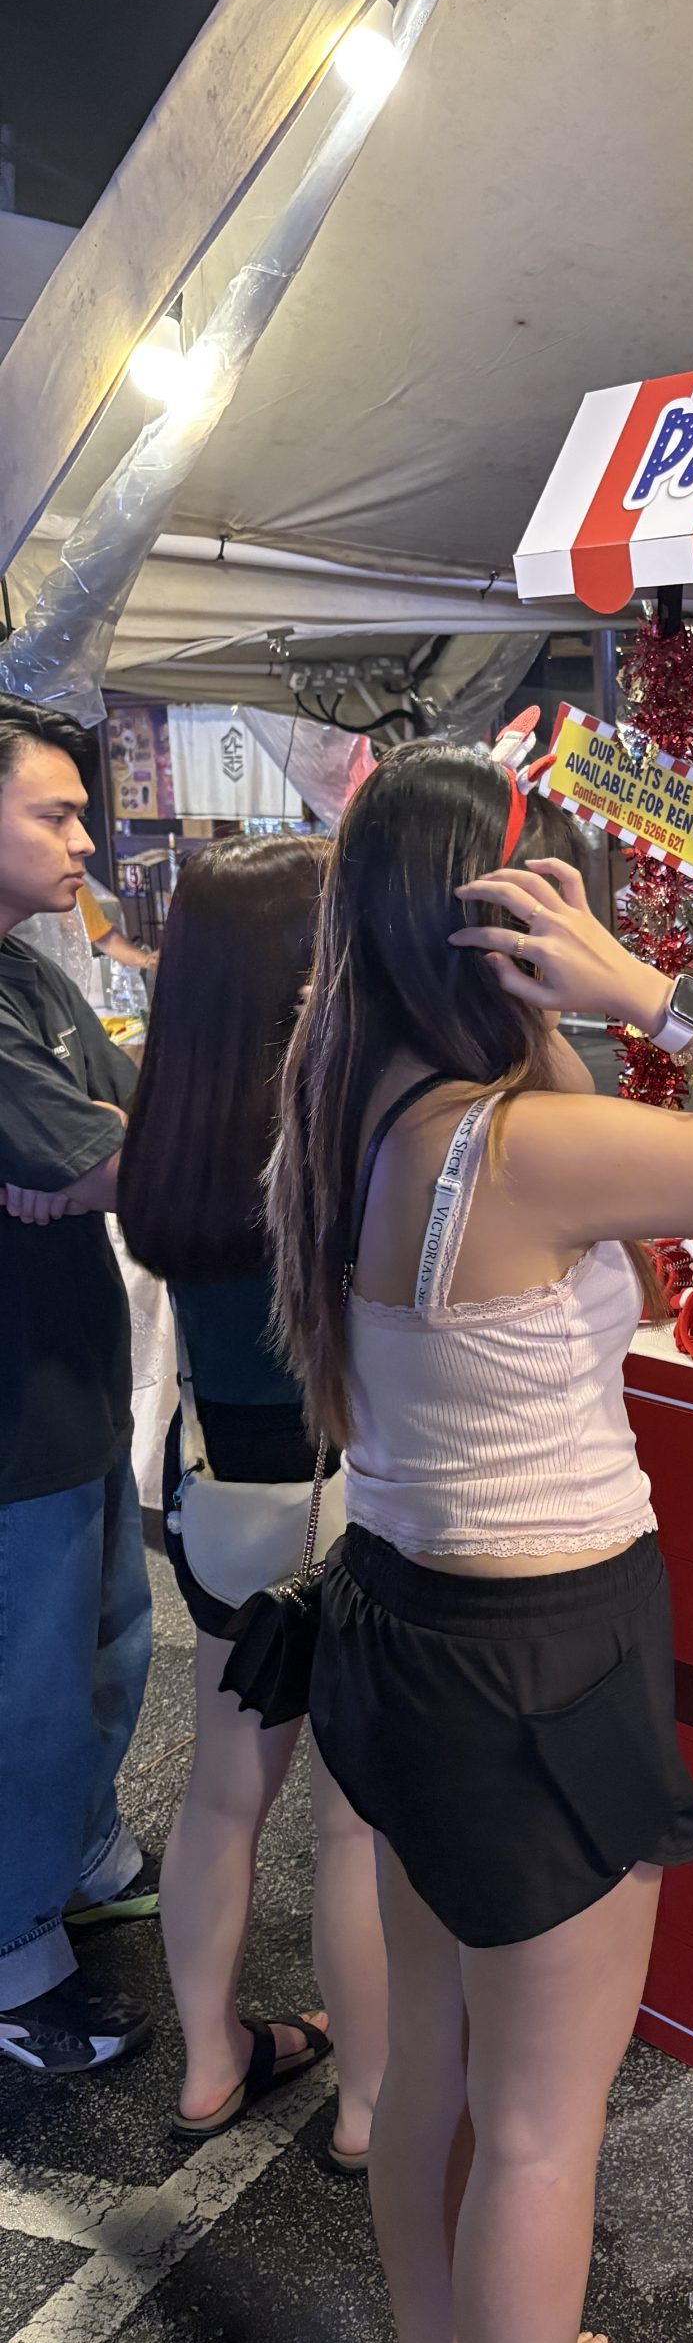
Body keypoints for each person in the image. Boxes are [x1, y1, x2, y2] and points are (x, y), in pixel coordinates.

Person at [268, 741, 693, 2343]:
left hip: (401, 1628)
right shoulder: (526, 1148)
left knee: (438, 2067)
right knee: (543, 2128)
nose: (586, 924)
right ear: (495, 928)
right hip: (540, 1661)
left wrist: (556, 1004)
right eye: (553, 900)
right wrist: (652, 995)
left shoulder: (349, 1104)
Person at [117, 832, 387, 2169]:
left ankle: (210, 2062)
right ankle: (371, 2106)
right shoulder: (336, 1117)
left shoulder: (169, 1111)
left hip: (214, 1489)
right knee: (353, 1817)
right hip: (339, 1494)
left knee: (223, 1795)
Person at [0, 698, 156, 2074]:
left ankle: (80, 1851)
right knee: (28, 1692)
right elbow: (103, 1160)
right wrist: (97, 1153)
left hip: (78, 1380)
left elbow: (130, 1119)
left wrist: (100, 1149)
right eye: (53, 812)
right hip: (12, 1415)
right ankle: (14, 1957)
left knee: (110, 1641)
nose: (86, 838)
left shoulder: (33, 976)